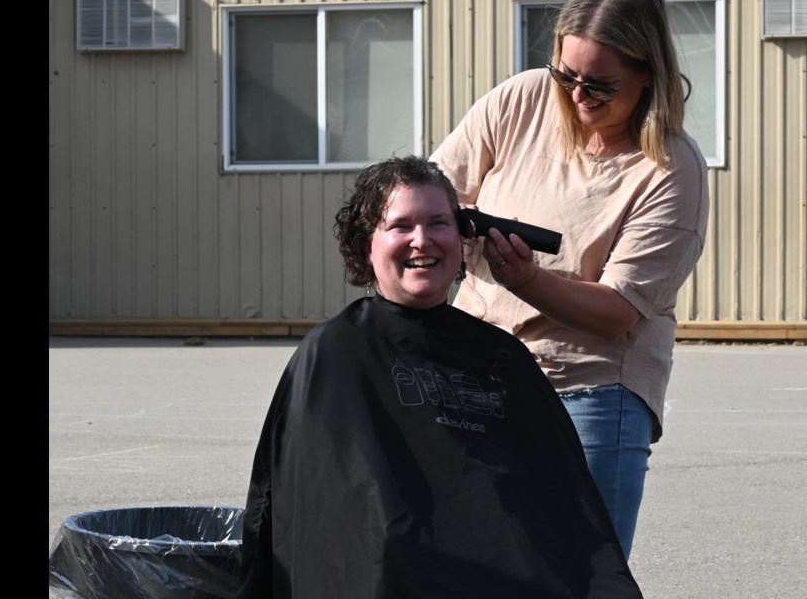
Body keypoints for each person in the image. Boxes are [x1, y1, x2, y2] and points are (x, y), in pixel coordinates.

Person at [237, 155, 643, 598]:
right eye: (400, 226)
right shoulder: (336, 353)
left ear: (462, 236)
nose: (421, 241)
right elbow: (332, 515)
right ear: (366, 244)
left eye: (437, 224)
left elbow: (564, 506)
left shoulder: (503, 356)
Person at [431, 0, 710, 559]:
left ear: (648, 75)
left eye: (600, 86)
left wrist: (528, 279)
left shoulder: (670, 168)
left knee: (581, 570)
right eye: (567, 74)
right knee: (467, 563)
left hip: (589, 392)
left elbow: (615, 314)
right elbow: (432, 195)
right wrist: (447, 221)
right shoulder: (522, 99)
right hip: (476, 371)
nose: (578, 95)